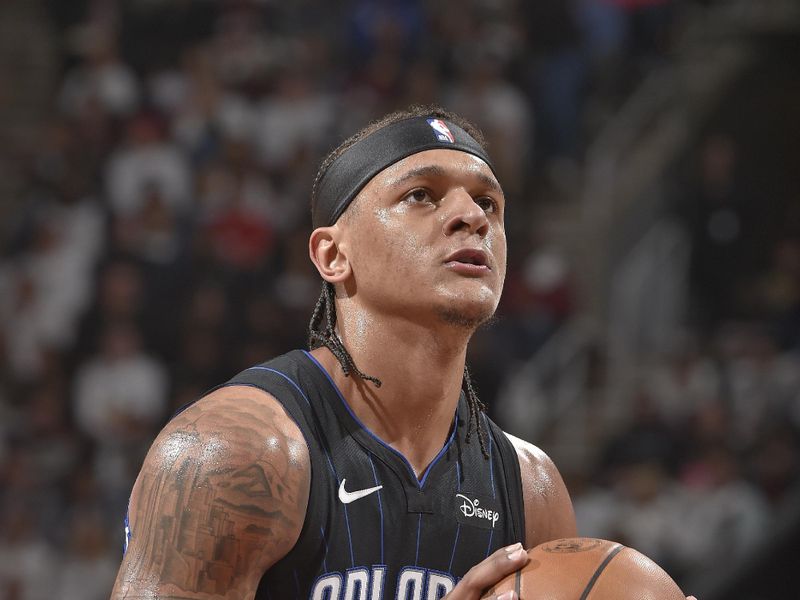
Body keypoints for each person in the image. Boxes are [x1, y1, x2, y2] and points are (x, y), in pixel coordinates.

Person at [110, 105, 579, 600]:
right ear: (333, 255)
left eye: (488, 202)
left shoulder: (531, 489)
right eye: (421, 195)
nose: (471, 217)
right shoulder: (233, 453)